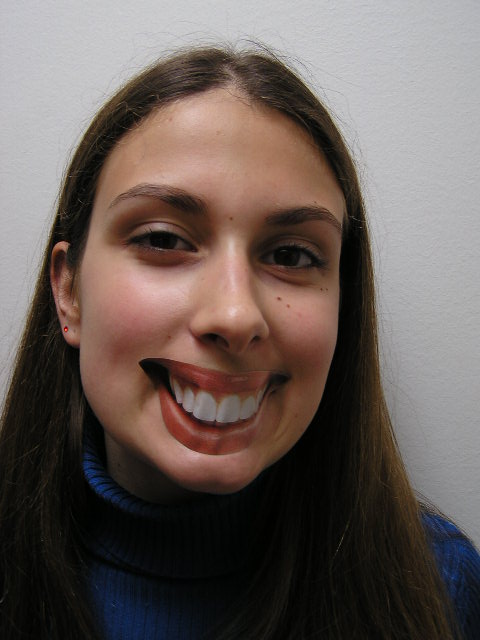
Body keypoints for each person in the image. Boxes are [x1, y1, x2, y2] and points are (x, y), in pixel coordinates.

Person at [0, 45, 479, 640]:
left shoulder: (440, 587)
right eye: (163, 240)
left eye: (291, 255)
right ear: (69, 292)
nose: (234, 315)